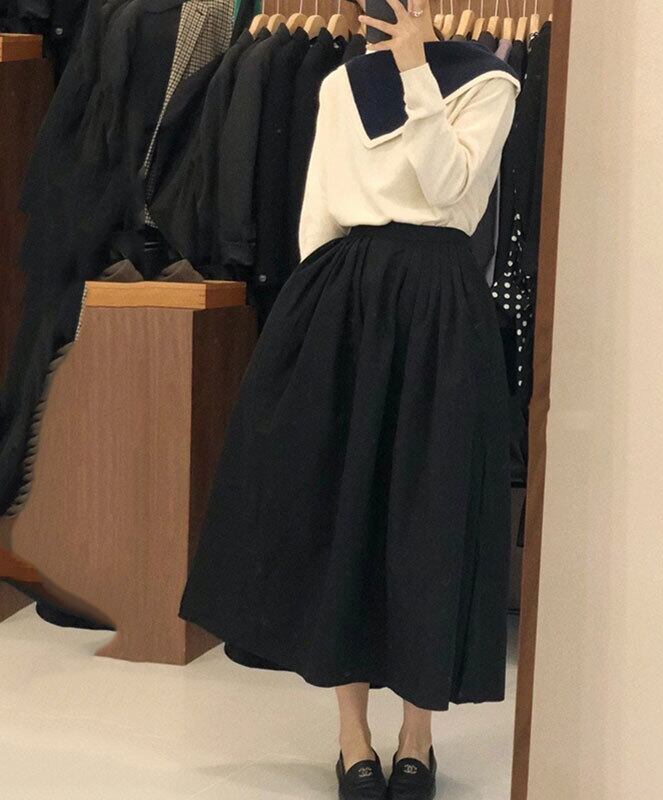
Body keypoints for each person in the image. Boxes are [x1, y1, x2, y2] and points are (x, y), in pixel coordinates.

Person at [179, 1, 520, 797]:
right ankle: (350, 735)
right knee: (343, 507)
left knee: (429, 511)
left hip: (439, 305)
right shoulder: (340, 84)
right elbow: (321, 208)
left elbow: (449, 187)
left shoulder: (489, 84)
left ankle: (418, 735)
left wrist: (415, 72)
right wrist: (308, 323)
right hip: (343, 301)